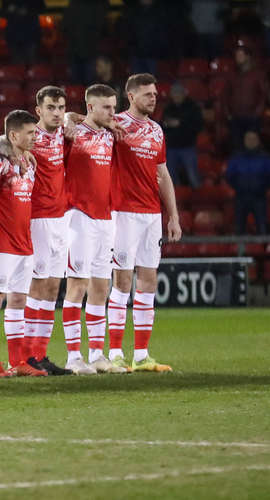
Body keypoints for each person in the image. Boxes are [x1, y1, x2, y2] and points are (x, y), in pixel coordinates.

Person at [109, 73, 181, 372]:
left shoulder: (156, 131)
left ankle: (141, 354)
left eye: (155, 93)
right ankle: (114, 353)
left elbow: (162, 174)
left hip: (151, 215)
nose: (154, 98)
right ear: (132, 96)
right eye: (148, 94)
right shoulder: (115, 125)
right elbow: (76, 122)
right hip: (123, 212)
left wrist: (173, 215)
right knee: (122, 281)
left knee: (148, 281)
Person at [62, 84, 127, 375]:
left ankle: (98, 354)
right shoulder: (72, 136)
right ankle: (73, 356)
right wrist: (68, 119)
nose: (113, 113)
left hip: (106, 218)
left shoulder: (108, 135)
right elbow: (64, 122)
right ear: (90, 107)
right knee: (78, 285)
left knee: (102, 286)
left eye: (114, 107)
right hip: (80, 217)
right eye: (107, 108)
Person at [0, 111, 46, 378]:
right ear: (14, 135)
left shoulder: (31, 163)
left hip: (23, 244)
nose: (35, 138)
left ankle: (18, 361)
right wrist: (3, 150)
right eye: (30, 133)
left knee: (18, 301)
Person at [22, 86, 74, 376]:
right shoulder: (30, 137)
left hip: (60, 218)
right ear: (38, 110)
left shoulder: (62, 134)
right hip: (37, 218)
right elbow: (5, 140)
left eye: (61, 108)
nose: (56, 113)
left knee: (53, 287)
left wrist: (71, 120)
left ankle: (40, 354)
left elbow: (77, 119)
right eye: (51, 107)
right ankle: (26, 355)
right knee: (37, 286)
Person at [223, 45, 268, 149]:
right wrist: (228, 113)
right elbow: (225, 95)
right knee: (237, 147)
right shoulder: (232, 75)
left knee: (252, 147)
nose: (237, 57)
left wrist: (257, 113)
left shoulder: (258, 74)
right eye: (236, 55)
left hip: (252, 118)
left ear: (247, 57)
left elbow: (264, 95)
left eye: (240, 55)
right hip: (235, 118)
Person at [226, 129, 270, 234]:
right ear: (244, 140)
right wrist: (239, 187)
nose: (250, 141)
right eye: (248, 138)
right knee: (239, 228)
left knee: (262, 226)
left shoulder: (265, 158)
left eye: (253, 139)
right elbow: (229, 176)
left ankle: (263, 249)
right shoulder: (236, 157)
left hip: (259, 197)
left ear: (258, 140)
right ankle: (239, 250)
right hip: (241, 198)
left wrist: (262, 187)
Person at [162, 82, 203, 188]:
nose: (176, 96)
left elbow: (198, 125)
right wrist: (168, 124)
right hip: (172, 147)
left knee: (193, 176)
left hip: (187, 146)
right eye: (174, 93)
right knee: (170, 177)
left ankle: (198, 201)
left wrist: (180, 123)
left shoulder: (193, 107)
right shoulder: (168, 108)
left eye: (179, 93)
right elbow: (163, 125)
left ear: (184, 94)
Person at [2, 0, 43, 65]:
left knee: (28, 63)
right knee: (19, 65)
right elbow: (3, 12)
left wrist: (28, 11)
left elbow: (41, 8)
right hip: (17, 35)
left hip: (28, 35)